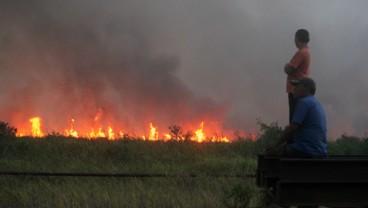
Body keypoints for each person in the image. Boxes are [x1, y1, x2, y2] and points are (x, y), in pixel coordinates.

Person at [266, 77, 328, 158]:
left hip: (307, 149)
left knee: (272, 154)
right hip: (320, 150)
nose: (293, 89)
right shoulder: (316, 103)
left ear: (306, 88)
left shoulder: (304, 102)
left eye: (297, 86)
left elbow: (292, 128)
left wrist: (275, 145)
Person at [284, 29, 311, 123]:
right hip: (301, 88)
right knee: (300, 116)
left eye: (295, 38)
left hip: (295, 90)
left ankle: (293, 137)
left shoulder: (301, 53)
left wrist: (286, 66)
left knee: (294, 117)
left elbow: (289, 69)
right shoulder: (307, 51)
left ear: (298, 39)